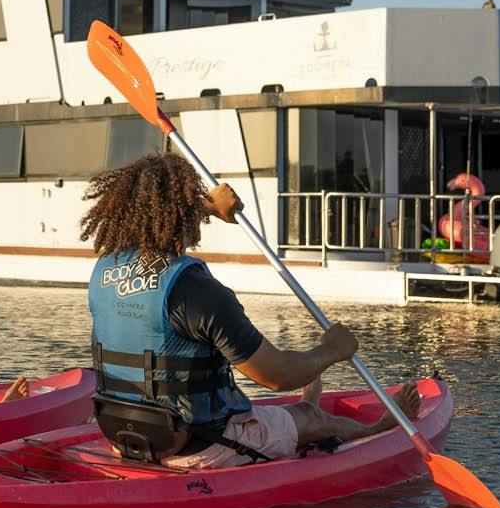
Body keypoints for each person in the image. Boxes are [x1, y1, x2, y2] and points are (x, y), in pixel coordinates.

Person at [79, 152, 419, 469]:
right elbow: (277, 376)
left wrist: (209, 207)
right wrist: (333, 350)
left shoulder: (102, 272)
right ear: (183, 214)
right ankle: (378, 427)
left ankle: (309, 400)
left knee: (293, 405)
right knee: (313, 420)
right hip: (196, 444)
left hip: (123, 435)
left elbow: (162, 216)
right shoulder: (197, 293)